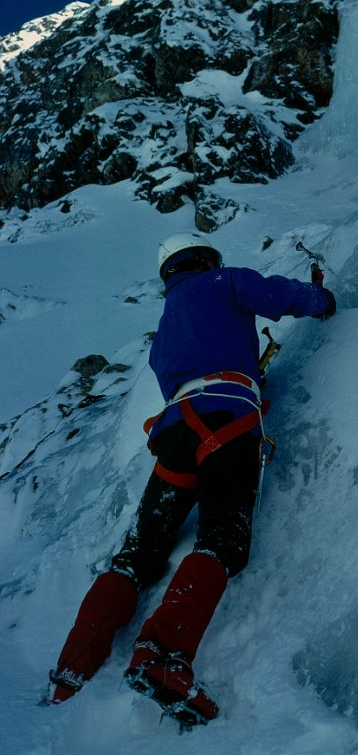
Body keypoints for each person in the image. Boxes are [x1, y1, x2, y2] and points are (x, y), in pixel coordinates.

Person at [49, 232, 335, 724]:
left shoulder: (165, 329)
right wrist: (322, 299)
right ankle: (161, 655)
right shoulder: (223, 281)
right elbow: (278, 296)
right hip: (228, 420)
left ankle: (72, 669)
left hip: (177, 429)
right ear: (204, 260)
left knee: (139, 552)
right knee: (222, 540)